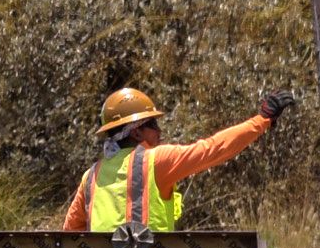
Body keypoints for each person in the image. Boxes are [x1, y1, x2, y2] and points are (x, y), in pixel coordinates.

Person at [61, 84, 291, 235]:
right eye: (153, 125)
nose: (159, 131)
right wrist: (262, 120)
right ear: (136, 132)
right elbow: (214, 149)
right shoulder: (157, 161)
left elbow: (70, 232)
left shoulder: (91, 176)